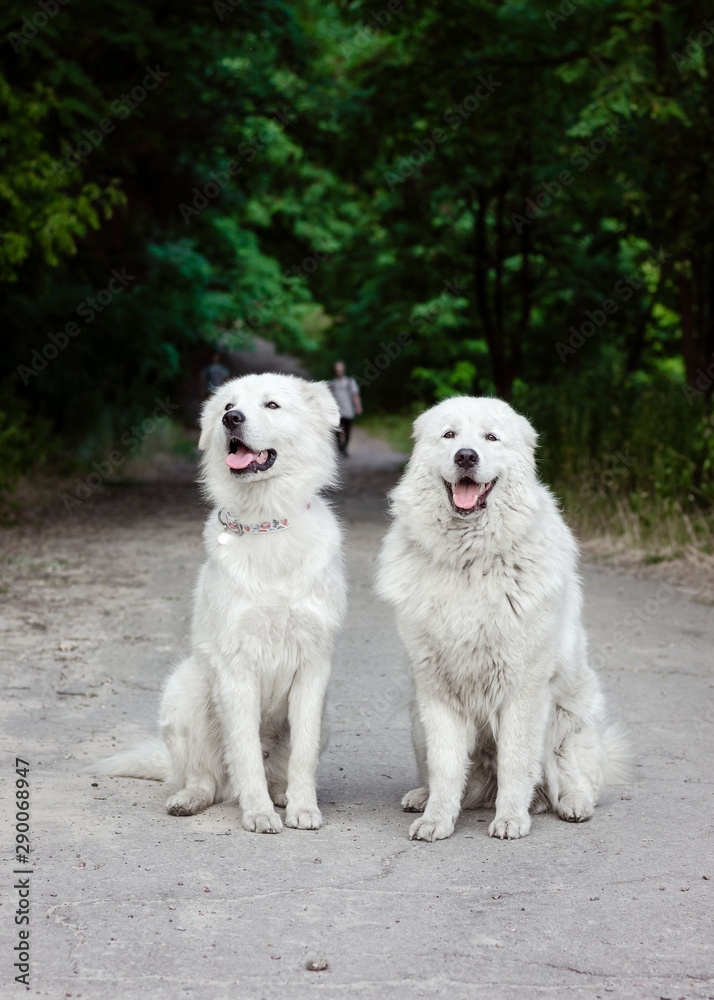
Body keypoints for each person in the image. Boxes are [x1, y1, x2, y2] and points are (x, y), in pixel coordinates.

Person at [329, 361, 362, 456]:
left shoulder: (350, 382)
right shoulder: (332, 383)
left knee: (347, 430)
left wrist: (358, 406)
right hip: (337, 411)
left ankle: (345, 447)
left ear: (344, 369)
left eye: (341, 368)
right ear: (335, 370)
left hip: (348, 410)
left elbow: (355, 395)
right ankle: (340, 446)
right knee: (338, 430)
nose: (339, 370)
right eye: (337, 368)